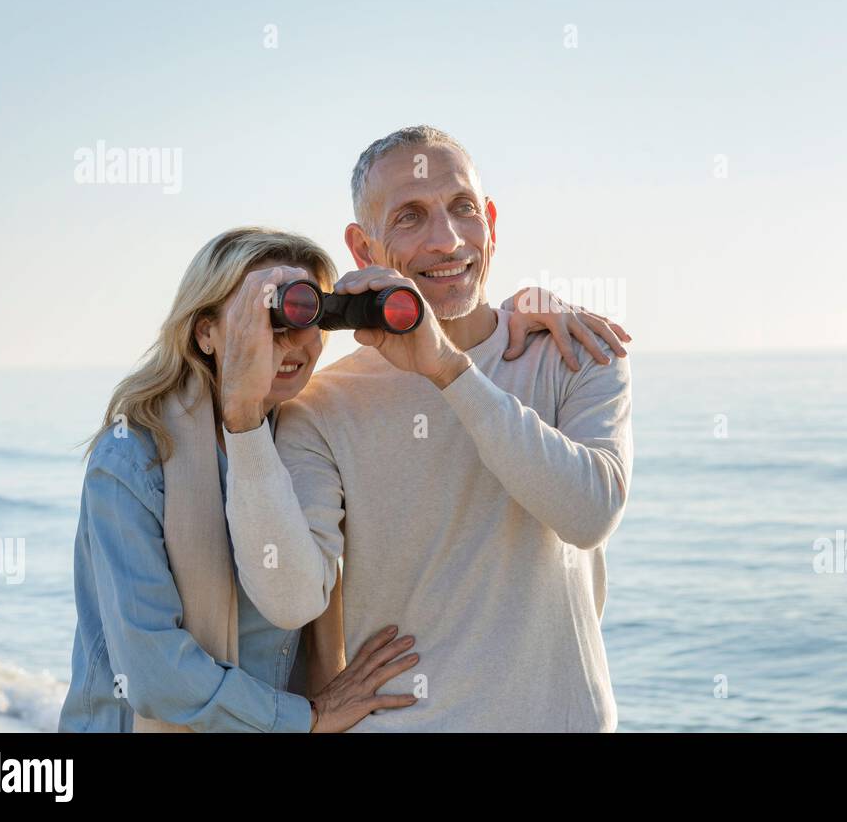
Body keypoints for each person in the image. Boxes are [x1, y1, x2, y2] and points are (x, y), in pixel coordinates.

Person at [58, 224, 628, 731]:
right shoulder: (132, 458)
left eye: (303, 316)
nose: (289, 342)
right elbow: (154, 669)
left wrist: (518, 309)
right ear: (207, 333)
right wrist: (307, 718)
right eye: (263, 320)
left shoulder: (303, 428)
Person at [221, 126, 633, 731]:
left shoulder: (578, 351)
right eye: (411, 217)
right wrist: (243, 423)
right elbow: (292, 597)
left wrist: (448, 370)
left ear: (490, 221)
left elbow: (589, 513)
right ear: (364, 248)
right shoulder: (323, 405)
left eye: (462, 208)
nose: (446, 240)